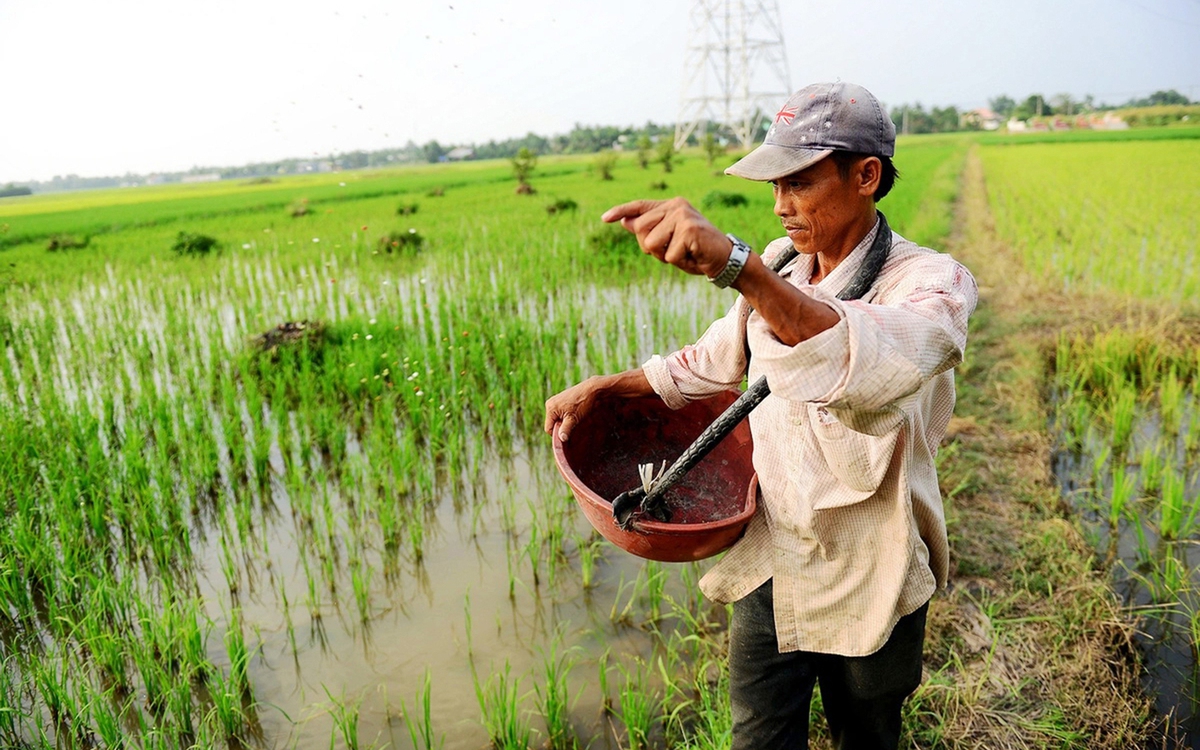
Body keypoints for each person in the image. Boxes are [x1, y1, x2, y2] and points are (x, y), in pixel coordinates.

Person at [543, 82, 977, 749]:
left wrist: (739, 268)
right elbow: (711, 362)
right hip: (773, 554)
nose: (780, 208)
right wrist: (610, 387)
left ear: (866, 176)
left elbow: (872, 360)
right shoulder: (782, 263)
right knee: (758, 735)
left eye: (798, 184)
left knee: (867, 734)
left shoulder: (929, 284)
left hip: (871, 565)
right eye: (774, 188)